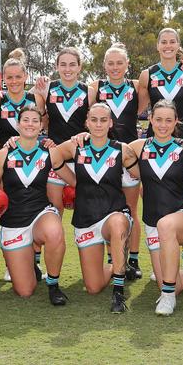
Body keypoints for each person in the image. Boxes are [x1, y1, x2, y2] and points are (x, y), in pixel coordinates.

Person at [0, 106, 73, 305]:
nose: (30, 124)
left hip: (40, 212)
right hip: (13, 220)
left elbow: (73, 180)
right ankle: (30, 260)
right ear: (18, 124)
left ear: (41, 126)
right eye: (26, 120)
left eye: (34, 121)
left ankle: (53, 285)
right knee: (25, 290)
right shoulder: (3, 154)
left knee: (55, 231)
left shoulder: (50, 152)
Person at [53, 103, 137, 313]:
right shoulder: (75, 147)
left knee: (118, 223)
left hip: (113, 214)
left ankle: (118, 291)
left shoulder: (123, 150)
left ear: (110, 123)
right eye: (94, 120)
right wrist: (73, 181)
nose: (98, 124)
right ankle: (117, 265)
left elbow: (141, 175)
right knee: (93, 287)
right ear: (87, 123)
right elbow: (54, 156)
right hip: (86, 218)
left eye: (103, 120)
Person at [126, 100, 183, 316]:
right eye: (158, 119)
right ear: (150, 120)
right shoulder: (136, 147)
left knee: (166, 225)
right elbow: (107, 148)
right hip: (152, 221)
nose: (163, 125)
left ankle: (168, 297)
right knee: (164, 282)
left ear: (176, 122)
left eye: (168, 120)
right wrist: (82, 137)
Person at [138, 28, 183, 278]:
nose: (168, 45)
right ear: (157, 46)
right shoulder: (147, 75)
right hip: (155, 136)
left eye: (172, 41)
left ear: (178, 45)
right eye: (163, 42)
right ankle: (161, 252)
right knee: (153, 187)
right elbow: (140, 108)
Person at [88, 43, 147, 280]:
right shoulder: (95, 88)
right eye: (110, 63)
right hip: (102, 157)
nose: (115, 67)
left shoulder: (136, 87)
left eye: (119, 63)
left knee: (131, 211)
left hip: (129, 156)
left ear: (127, 65)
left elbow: (140, 111)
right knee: (107, 210)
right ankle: (113, 260)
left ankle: (132, 259)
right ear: (104, 66)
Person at [34, 47, 89, 213]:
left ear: (79, 67)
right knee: (54, 210)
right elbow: (40, 121)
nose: (67, 69)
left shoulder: (89, 91)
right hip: (54, 157)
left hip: (81, 158)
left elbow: (97, 122)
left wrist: (88, 134)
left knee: (86, 210)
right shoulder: (46, 88)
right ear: (56, 66)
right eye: (63, 64)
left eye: (72, 64)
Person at [0, 49, 45, 148]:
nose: (14, 81)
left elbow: (46, 126)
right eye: (9, 77)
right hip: (5, 159)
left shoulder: (37, 100)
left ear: (25, 76)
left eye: (18, 77)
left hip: (33, 159)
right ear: (4, 78)